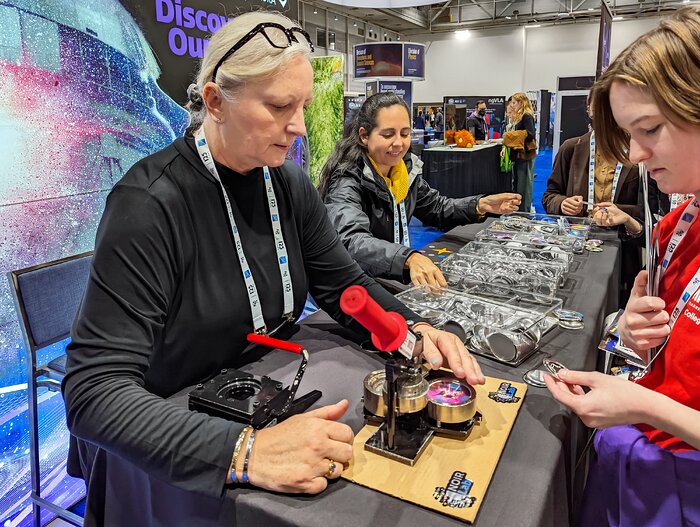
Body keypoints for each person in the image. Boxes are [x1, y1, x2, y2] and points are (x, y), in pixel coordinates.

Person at [62, 11, 486, 523]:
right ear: (215, 101)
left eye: (302, 106)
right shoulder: (149, 204)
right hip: (171, 438)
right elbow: (93, 394)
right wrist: (245, 452)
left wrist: (413, 331)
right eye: (280, 106)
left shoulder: (286, 184)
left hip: (265, 389)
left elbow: (344, 284)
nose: (300, 127)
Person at [545, 8, 700, 525]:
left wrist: (640, 406)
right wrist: (633, 332)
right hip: (644, 470)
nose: (634, 153)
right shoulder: (679, 224)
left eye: (650, 128)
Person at [318, 92, 521, 289]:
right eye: (388, 134)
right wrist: (407, 258)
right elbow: (351, 240)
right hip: (351, 287)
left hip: (384, 275)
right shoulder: (346, 180)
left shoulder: (404, 171)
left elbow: (437, 208)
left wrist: (479, 205)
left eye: (405, 134)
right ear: (364, 135)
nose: (398, 143)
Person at [542, 95, 643, 303]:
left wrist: (622, 215)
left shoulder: (638, 153)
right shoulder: (571, 148)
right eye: (597, 107)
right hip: (574, 249)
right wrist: (562, 203)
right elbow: (549, 196)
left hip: (620, 252)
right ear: (589, 110)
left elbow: (649, 214)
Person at [502, 92, 537, 212]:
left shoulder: (527, 116)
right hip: (519, 156)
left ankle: (524, 213)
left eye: (514, 102)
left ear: (521, 102)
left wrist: (510, 136)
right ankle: (519, 211)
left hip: (525, 156)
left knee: (524, 186)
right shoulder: (521, 116)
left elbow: (530, 133)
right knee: (517, 185)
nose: (513, 105)